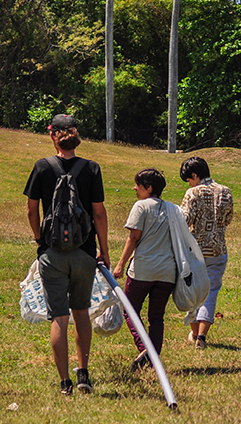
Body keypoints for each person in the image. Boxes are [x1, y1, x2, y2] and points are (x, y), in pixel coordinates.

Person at [24, 114, 109, 396]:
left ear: (52, 136)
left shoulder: (42, 167)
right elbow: (98, 213)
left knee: (59, 317)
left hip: (52, 254)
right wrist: (104, 251)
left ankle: (64, 382)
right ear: (75, 137)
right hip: (84, 252)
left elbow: (31, 209)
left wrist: (40, 240)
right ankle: (83, 372)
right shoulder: (91, 168)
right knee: (81, 313)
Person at [113, 168, 178, 370]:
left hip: (143, 269)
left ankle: (145, 349)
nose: (134, 188)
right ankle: (152, 360)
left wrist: (120, 264)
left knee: (130, 310)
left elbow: (133, 237)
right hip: (168, 271)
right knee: (156, 316)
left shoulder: (141, 206)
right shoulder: (173, 209)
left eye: (138, 185)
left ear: (148, 188)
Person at [178, 156, 233, 350]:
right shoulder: (226, 191)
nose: (189, 183)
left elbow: (184, 220)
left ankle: (194, 333)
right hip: (218, 249)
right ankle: (202, 335)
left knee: (193, 293)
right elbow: (228, 219)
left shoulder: (193, 193)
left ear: (194, 175)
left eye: (189, 179)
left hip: (196, 250)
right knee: (211, 293)